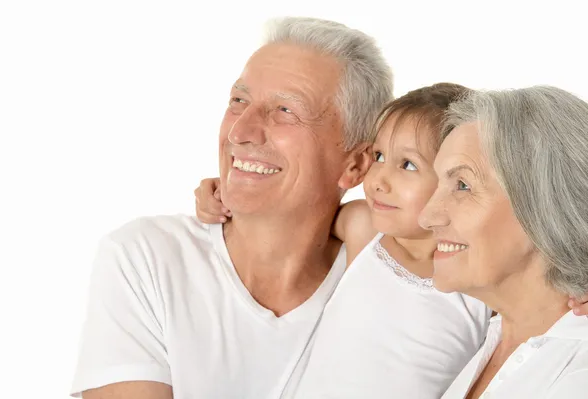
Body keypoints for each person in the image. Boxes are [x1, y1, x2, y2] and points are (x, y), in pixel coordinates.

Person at [70, 17, 393, 399]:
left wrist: (359, 220)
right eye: (238, 101)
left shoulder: (384, 283)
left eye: (286, 111)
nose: (239, 132)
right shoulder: (147, 258)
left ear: (355, 165)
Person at [195, 83, 492, 398]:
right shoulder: (365, 231)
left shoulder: (477, 283)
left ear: (458, 180)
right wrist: (226, 192)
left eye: (407, 164)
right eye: (379, 156)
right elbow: (295, 213)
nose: (378, 179)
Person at [420, 86, 588, 398]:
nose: (427, 216)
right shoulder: (495, 339)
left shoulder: (578, 376)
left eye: (462, 185)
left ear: (544, 203)